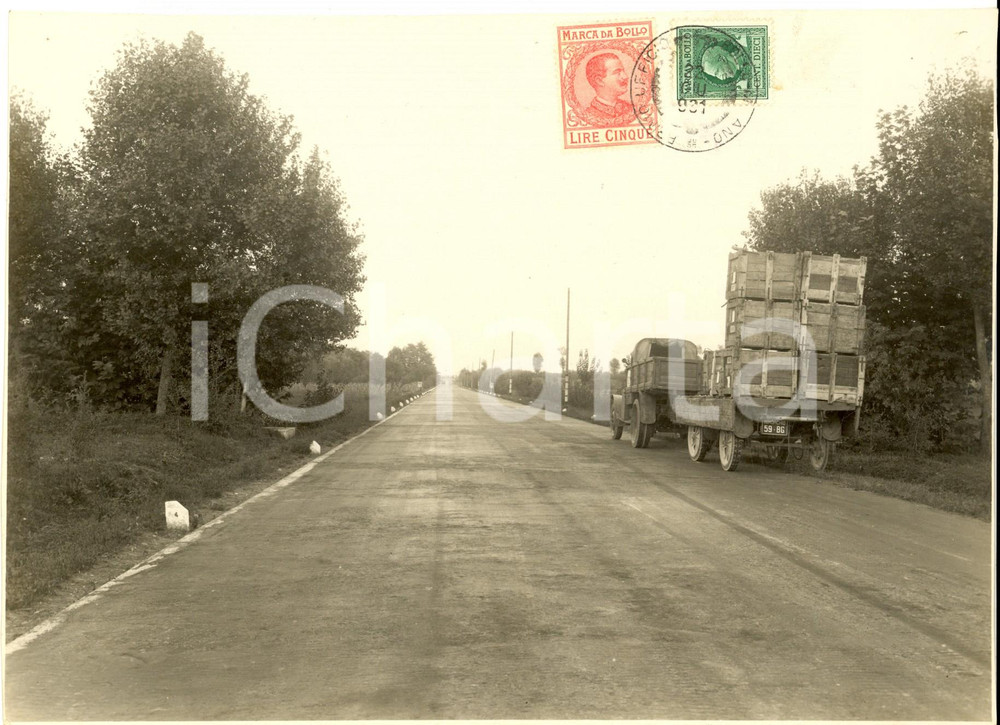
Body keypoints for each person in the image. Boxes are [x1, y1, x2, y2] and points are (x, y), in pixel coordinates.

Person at [584, 52, 634, 124]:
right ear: (599, 81)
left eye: (623, 71)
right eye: (617, 72)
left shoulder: (631, 109)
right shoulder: (589, 115)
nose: (625, 76)